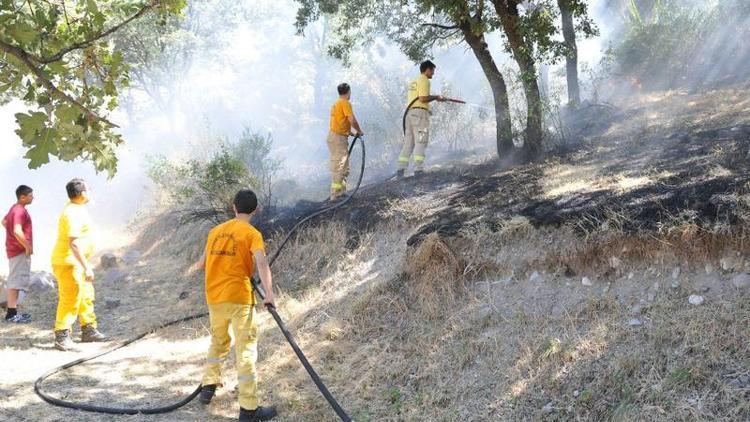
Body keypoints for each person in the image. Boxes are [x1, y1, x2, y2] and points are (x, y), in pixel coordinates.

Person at [195, 189, 277, 422]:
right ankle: (249, 409)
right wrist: (269, 294)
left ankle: (208, 386)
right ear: (256, 209)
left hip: (215, 297)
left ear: (233, 207)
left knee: (219, 342)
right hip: (240, 298)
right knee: (246, 351)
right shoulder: (252, 233)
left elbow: (201, 264)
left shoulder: (214, 232)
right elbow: (261, 262)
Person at [51, 179, 107, 351]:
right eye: (88, 190)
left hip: (77, 262)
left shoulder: (77, 209)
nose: (90, 192)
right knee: (71, 297)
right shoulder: (72, 213)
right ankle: (62, 335)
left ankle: (88, 329)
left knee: (85, 295)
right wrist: (86, 266)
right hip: (69, 262)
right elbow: (73, 243)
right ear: (82, 193)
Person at [397, 60, 446, 178]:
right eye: (432, 71)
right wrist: (436, 97)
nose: (433, 74)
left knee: (408, 143)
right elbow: (423, 98)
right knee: (421, 141)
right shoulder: (424, 80)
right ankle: (418, 170)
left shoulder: (414, 81)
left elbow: (418, 98)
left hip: (410, 114)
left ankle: (400, 169)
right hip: (419, 114)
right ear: (427, 69)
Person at [2, 185, 34, 323]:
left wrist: (10, 234)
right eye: (30, 195)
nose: (33, 197)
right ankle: (11, 314)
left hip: (14, 248)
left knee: (15, 280)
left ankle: (13, 312)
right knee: (14, 282)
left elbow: (4, 222)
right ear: (22, 197)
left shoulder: (14, 209)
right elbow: (16, 230)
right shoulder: (19, 211)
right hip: (18, 250)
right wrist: (27, 246)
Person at [327, 82, 364, 202]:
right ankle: (334, 195)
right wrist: (359, 130)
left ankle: (341, 192)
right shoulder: (345, 103)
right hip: (338, 139)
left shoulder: (336, 104)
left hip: (334, 137)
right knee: (341, 166)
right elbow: (351, 120)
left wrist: (352, 134)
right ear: (348, 92)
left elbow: (340, 124)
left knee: (341, 166)